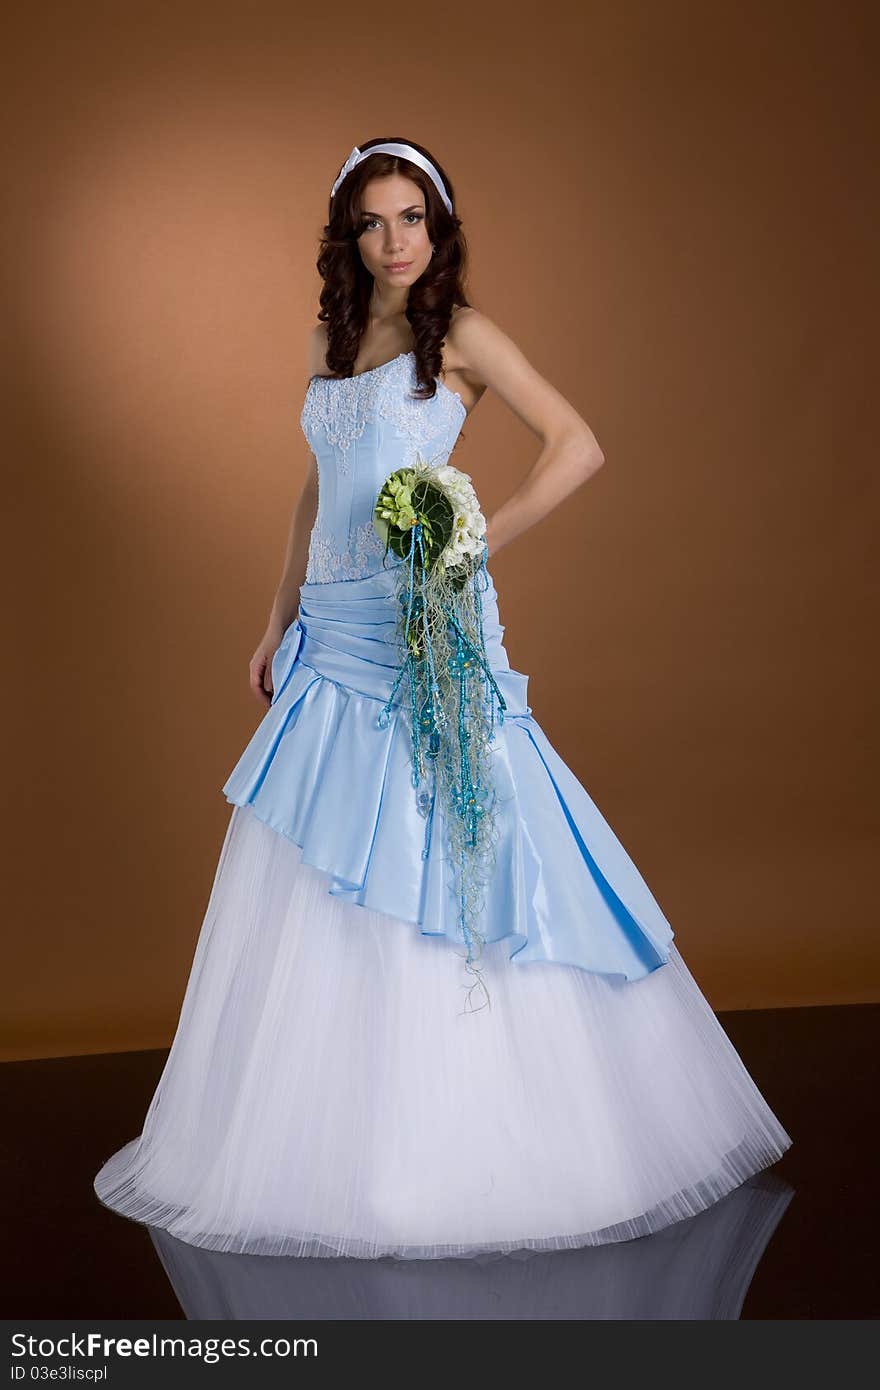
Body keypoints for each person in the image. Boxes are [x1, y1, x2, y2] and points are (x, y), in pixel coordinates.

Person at [94, 138, 792, 1260]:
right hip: (333, 630)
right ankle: (327, 1145)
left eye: (411, 217)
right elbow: (318, 488)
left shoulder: (461, 335)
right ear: (348, 236)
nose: (395, 240)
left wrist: (466, 542)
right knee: (322, 865)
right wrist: (276, 617)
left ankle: (461, 1139)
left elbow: (578, 445)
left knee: (441, 841)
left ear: (439, 223)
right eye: (373, 222)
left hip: (424, 626)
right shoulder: (330, 338)